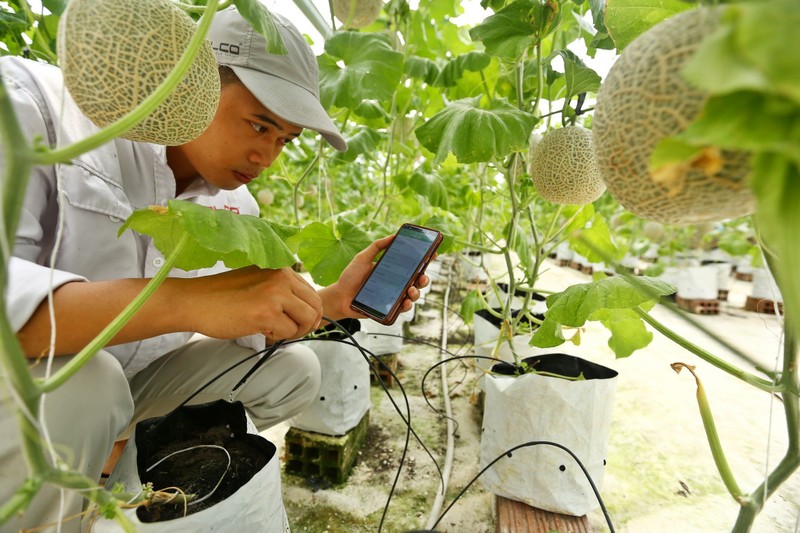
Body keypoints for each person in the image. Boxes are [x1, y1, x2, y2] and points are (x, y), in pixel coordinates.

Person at [0, 5, 427, 531]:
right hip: (35, 380)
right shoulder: (32, 105)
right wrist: (190, 303)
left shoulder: (236, 206)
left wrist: (334, 301)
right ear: (190, 78)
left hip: (123, 386)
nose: (267, 154)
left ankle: (114, 471)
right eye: (259, 123)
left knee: (294, 371)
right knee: (85, 387)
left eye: (285, 139)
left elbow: (250, 330)